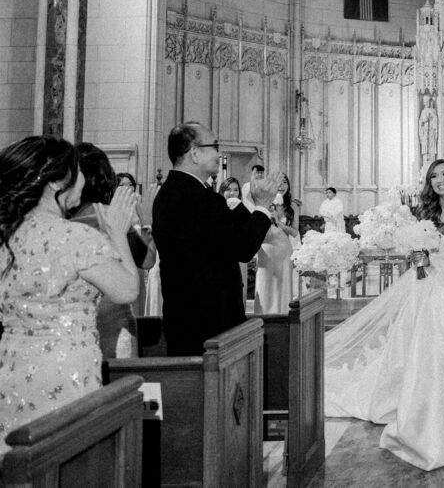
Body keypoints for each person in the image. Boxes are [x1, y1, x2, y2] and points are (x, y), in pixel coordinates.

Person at [323, 159, 444, 470]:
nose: (440, 180)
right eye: (434, 176)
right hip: (432, 290)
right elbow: (419, 259)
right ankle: (431, 413)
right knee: (435, 352)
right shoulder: (424, 213)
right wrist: (421, 265)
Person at [0, 136, 139, 454]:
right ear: (55, 182)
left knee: (19, 461)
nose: (83, 179)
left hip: (11, 370)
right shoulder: (77, 237)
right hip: (65, 372)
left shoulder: (7, 236)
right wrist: (117, 233)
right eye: (77, 171)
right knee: (65, 458)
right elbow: (127, 290)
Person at [151, 122, 281, 356]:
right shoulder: (202, 199)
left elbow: (217, 233)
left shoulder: (172, 192)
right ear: (194, 153)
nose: (219, 154)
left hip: (184, 317)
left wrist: (251, 202)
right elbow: (243, 248)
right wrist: (263, 206)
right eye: (214, 146)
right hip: (212, 322)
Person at [70, 143, 157, 358]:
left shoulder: (61, 220)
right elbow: (147, 260)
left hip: (73, 323)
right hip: (114, 319)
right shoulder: (111, 216)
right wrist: (147, 222)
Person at [255, 174, 299, 314]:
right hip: (266, 249)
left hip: (284, 249)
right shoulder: (263, 203)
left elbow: (294, 232)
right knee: (264, 285)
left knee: (282, 287)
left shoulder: (292, 206)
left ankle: (283, 318)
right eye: (278, 182)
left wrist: (279, 222)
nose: (281, 186)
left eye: (284, 182)